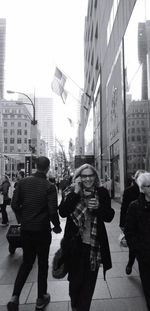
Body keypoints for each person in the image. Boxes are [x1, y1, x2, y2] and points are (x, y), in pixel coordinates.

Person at [7, 156, 62, 311]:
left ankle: (15, 296)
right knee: (42, 264)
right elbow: (52, 211)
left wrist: (23, 219)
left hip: (26, 230)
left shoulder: (23, 183)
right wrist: (57, 227)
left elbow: (14, 204)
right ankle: (40, 298)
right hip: (42, 231)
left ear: (36, 166)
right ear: (48, 168)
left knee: (27, 262)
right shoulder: (49, 186)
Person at [59, 163, 115, 311]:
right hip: (74, 246)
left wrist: (99, 208)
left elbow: (109, 216)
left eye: (91, 175)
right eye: (84, 176)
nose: (88, 179)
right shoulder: (71, 191)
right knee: (74, 284)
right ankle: (76, 305)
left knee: (89, 284)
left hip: (94, 246)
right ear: (78, 178)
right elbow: (63, 212)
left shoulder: (102, 192)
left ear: (95, 177)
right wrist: (76, 194)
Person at [125, 172, 150, 311]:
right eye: (149, 186)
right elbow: (130, 232)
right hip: (145, 255)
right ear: (143, 188)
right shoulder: (135, 206)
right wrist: (139, 249)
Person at [119, 169, 145, 275]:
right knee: (133, 246)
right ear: (136, 179)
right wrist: (122, 224)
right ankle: (130, 263)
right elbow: (124, 208)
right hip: (133, 224)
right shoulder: (129, 191)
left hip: (146, 224)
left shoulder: (147, 190)